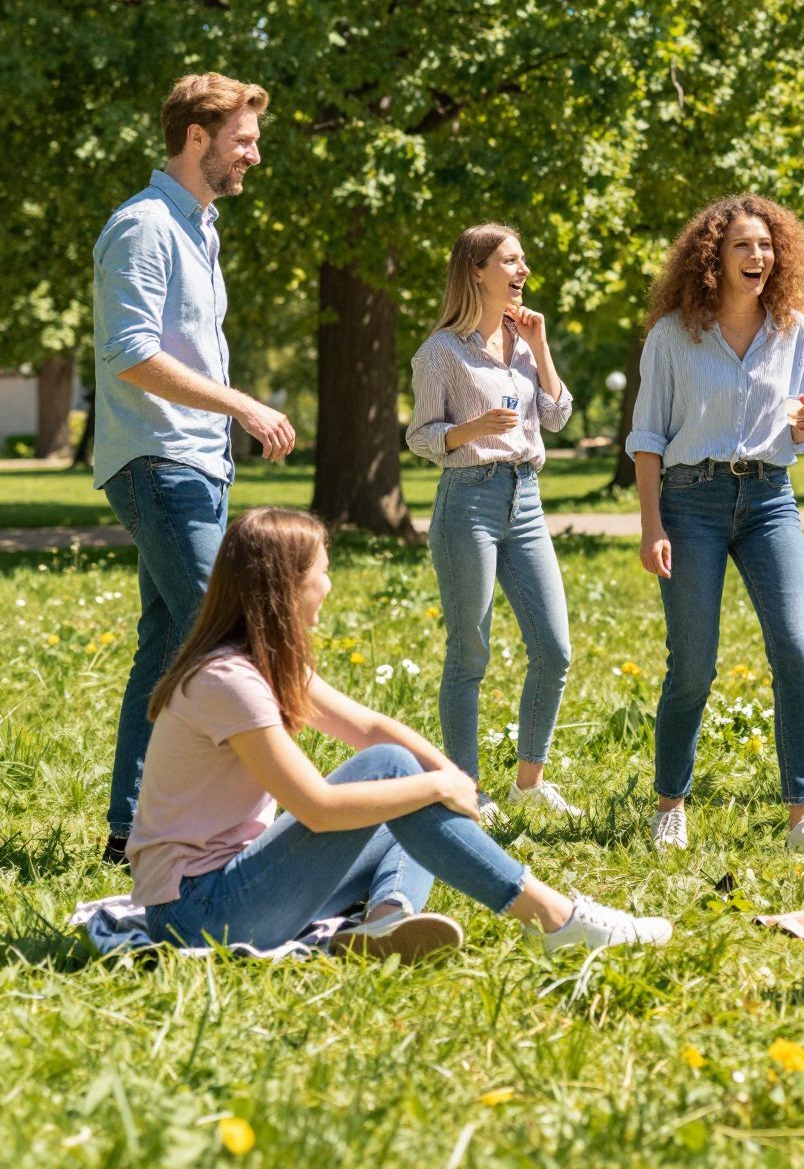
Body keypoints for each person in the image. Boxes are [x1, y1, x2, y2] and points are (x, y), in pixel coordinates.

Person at [129, 508, 671, 957]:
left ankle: (387, 920)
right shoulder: (229, 681)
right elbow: (317, 807)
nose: (329, 584)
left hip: (231, 892)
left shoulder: (262, 663)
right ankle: (558, 920)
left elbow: (367, 726)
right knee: (394, 774)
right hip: (199, 913)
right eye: (322, 570)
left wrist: (454, 777)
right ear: (287, 585)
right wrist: (436, 788)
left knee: (397, 787)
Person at [91, 73, 297, 867]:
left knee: (172, 645)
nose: (254, 154)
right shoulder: (144, 228)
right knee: (242, 637)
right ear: (197, 137)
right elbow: (131, 353)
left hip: (195, 464)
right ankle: (264, 826)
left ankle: (130, 831)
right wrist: (242, 405)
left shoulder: (200, 229)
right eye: (243, 139)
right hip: (159, 461)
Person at [626, 195, 804, 859]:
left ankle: (803, 818)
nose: (759, 257)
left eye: (766, 246)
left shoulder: (794, 330)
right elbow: (647, 437)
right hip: (690, 502)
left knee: (798, 655)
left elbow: (799, 429)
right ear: (711, 259)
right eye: (743, 247)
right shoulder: (673, 335)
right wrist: (651, 524)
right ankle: (671, 805)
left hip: (769, 501)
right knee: (693, 666)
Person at [406, 224, 580, 823]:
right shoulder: (439, 353)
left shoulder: (525, 343)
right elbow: (420, 436)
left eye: (523, 259)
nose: (522, 269)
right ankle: (466, 789)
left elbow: (557, 417)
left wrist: (543, 346)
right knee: (470, 652)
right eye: (510, 260)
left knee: (554, 650)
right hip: (468, 503)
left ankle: (529, 782)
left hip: (525, 501)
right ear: (477, 271)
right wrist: (470, 431)